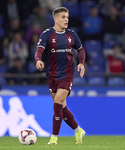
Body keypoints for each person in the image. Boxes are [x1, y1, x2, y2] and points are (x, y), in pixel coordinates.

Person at [35, 7, 86, 145]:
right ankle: (78, 130)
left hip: (67, 74)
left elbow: (80, 50)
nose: (66, 20)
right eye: (63, 17)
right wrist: (38, 60)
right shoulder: (47, 35)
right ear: (55, 19)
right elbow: (39, 50)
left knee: (57, 103)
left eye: (67, 17)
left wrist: (81, 63)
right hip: (52, 75)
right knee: (61, 108)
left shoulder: (72, 35)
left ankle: (54, 138)